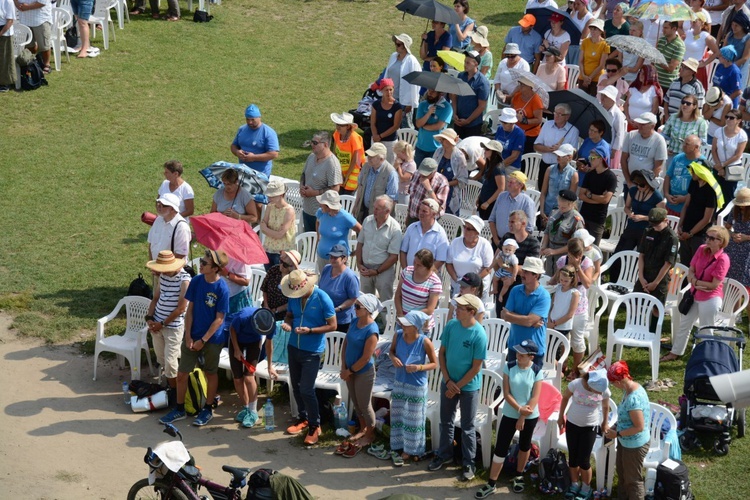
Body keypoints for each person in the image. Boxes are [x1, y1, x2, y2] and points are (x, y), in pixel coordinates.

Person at [159, 250, 231, 427]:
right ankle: (180, 408)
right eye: (202, 261)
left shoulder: (222, 289)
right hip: (192, 336)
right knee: (182, 373)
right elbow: (189, 309)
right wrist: (189, 335)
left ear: (215, 268)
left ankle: (207, 409)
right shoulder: (197, 281)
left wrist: (203, 340)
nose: (201, 264)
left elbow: (219, 319)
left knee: (210, 373)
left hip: (212, 339)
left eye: (205, 263)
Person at [473, 339, 543, 498]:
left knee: (525, 446)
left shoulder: (537, 371)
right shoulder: (509, 366)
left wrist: (523, 417)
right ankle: (491, 483)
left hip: (530, 415)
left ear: (531, 357)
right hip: (511, 413)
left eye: (523, 354)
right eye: (518, 352)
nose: (518, 356)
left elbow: (535, 398)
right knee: (500, 447)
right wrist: (519, 411)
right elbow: (506, 393)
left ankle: (518, 476)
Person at [428, 294, 487, 482]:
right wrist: (447, 380)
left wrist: (456, 386)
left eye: (460, 308)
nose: (456, 310)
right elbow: (442, 353)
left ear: (471, 312)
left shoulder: (479, 334)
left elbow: (477, 367)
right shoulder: (451, 326)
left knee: (468, 427)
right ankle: (445, 455)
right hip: (448, 382)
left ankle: (469, 463)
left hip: (468, 388)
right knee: (445, 421)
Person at [281, 269, 337, 446]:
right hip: (293, 347)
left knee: (306, 389)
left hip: (312, 351)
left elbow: (333, 325)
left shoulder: (322, 298)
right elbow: (290, 315)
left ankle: (315, 425)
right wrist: (287, 324)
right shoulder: (294, 297)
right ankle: (303, 418)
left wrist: (311, 331)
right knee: (296, 387)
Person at [664, 225, 730, 361]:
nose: (707, 240)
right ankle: (674, 353)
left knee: (706, 329)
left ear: (721, 241)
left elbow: (714, 285)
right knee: (685, 325)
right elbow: (691, 270)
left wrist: (694, 281)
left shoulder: (723, 259)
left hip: (710, 299)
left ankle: (705, 357)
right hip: (695, 294)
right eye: (707, 236)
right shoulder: (701, 249)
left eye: (712, 238)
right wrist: (695, 282)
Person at [387, 310, 438, 463]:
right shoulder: (398, 335)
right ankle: (399, 445)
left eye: (407, 324)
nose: (403, 325)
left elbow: (434, 364)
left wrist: (418, 368)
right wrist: (393, 358)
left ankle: (413, 450)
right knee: (398, 414)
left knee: (414, 419)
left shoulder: (424, 341)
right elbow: (391, 351)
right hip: (400, 381)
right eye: (403, 323)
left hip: (416, 385)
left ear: (416, 327)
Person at [558, 370, 612, 500]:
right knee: (573, 457)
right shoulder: (576, 384)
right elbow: (565, 398)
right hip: (572, 424)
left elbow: (605, 407)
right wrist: (561, 417)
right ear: (589, 384)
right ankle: (575, 484)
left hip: (589, 427)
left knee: (584, 460)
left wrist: (605, 422)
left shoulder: (604, 391)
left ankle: (586, 487)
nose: (597, 393)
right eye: (595, 391)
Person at [338, 294, 381, 451]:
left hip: (363, 372)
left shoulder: (372, 330)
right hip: (349, 370)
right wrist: (343, 366)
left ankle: (370, 435)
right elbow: (346, 343)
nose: (354, 309)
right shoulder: (355, 321)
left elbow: (365, 358)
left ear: (367, 310)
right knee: (356, 403)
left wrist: (349, 371)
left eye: (357, 307)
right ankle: (363, 429)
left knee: (365, 405)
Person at [145, 251, 191, 399]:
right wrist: (150, 318)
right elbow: (155, 299)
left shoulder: (184, 280)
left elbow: (181, 308)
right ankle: (172, 388)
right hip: (157, 325)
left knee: (171, 363)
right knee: (162, 359)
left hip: (172, 327)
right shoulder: (163, 277)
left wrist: (162, 323)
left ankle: (176, 393)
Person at [603, 361, 652, 500]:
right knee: (622, 473)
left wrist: (616, 434)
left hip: (635, 445)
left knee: (633, 480)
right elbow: (627, 418)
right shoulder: (628, 388)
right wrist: (616, 427)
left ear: (618, 381)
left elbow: (639, 427)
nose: (612, 386)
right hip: (625, 441)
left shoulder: (634, 399)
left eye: (612, 383)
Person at [228, 307, 276, 428]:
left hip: (254, 343)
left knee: (249, 377)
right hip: (237, 339)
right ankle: (246, 408)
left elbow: (269, 345)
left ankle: (253, 411)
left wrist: (270, 366)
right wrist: (237, 350)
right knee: (238, 378)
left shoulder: (271, 324)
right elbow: (232, 329)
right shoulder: (243, 317)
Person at [501, 257, 551, 367]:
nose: (522, 274)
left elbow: (526, 320)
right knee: (512, 382)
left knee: (532, 383)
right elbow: (504, 315)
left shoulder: (544, 296)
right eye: (523, 270)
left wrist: (515, 317)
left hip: (534, 350)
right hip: (514, 346)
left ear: (536, 275)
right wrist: (529, 320)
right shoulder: (515, 290)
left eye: (527, 272)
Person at [634, 208, 679, 329]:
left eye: (657, 224)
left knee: (657, 307)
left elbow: (668, 263)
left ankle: (653, 331)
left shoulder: (672, 238)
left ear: (666, 221)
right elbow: (641, 255)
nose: (655, 227)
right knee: (635, 302)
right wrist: (641, 277)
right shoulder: (648, 231)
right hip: (645, 273)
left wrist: (655, 283)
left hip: (660, 277)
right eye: (653, 224)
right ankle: (635, 326)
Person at [356, 195, 402, 301]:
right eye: (374, 207)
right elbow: (360, 244)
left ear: (387, 211)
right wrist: (359, 264)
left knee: (385, 303)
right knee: (364, 303)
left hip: (384, 271)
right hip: (365, 268)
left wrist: (377, 271)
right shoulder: (367, 220)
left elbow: (393, 257)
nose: (374, 210)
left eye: (377, 209)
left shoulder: (395, 229)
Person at [613, 170, 666, 257]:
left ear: (649, 184)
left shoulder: (656, 196)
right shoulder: (633, 191)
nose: (638, 187)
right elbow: (626, 207)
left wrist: (643, 218)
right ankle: (616, 270)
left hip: (647, 230)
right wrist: (630, 214)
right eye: (636, 184)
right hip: (631, 226)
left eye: (641, 185)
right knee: (621, 251)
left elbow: (661, 217)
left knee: (642, 256)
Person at [678, 161, 722, 264]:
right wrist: (680, 226)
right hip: (685, 231)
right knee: (684, 265)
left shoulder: (711, 191)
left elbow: (707, 219)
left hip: (699, 236)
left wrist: (690, 233)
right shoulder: (693, 182)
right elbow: (686, 205)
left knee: (696, 265)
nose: (692, 172)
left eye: (695, 170)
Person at [300, 131, 343, 232]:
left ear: (326, 144)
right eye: (312, 142)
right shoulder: (311, 157)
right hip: (307, 209)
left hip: (322, 213)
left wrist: (315, 193)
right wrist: (301, 187)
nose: (312, 145)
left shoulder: (332, 164)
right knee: (309, 242)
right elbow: (303, 175)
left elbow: (335, 189)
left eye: (315, 143)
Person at [578, 144, 618, 245]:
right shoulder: (590, 174)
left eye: (592, 158)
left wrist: (590, 195)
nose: (590, 160)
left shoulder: (611, 177)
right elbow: (581, 195)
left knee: (593, 249)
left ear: (600, 159)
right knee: (579, 246)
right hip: (584, 216)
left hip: (597, 219)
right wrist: (597, 199)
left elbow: (605, 200)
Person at [394, 248, 443, 331]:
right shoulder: (407, 271)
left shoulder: (435, 282)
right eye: (414, 262)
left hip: (420, 326)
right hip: (402, 322)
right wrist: (400, 314)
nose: (415, 267)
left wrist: (409, 318)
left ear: (428, 266)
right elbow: (398, 295)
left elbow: (430, 309)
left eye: (419, 265)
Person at [447, 215, 493, 298]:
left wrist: (472, 282)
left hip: (477, 287)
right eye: (464, 227)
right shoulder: (455, 242)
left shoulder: (485, 245)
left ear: (477, 232)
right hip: (458, 285)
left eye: (469, 229)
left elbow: (488, 268)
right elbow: (449, 264)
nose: (465, 230)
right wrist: (457, 280)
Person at [541, 189, 585, 276]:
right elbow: (547, 231)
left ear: (571, 204)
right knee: (549, 279)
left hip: (565, 256)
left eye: (563, 207)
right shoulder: (554, 213)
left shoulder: (576, 220)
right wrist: (544, 246)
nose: (560, 209)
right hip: (550, 255)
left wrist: (555, 251)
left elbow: (576, 244)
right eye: (559, 205)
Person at [534, 103, 580, 185]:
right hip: (545, 165)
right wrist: (548, 149)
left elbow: (574, 155)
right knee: (542, 190)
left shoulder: (573, 131)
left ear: (567, 117)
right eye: (555, 113)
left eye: (560, 114)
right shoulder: (547, 125)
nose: (556, 116)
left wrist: (561, 150)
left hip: (561, 168)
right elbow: (536, 146)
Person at [315, 190, 361, 272]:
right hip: (321, 256)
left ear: (328, 206)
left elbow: (362, 231)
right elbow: (318, 222)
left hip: (338, 260)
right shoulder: (321, 212)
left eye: (322, 203)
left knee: (339, 283)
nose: (320, 204)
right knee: (325, 282)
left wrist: (357, 250)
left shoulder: (345, 217)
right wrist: (318, 237)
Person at [318, 244, 360, 333]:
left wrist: (338, 308)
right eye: (331, 257)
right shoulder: (326, 269)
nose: (332, 259)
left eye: (335, 257)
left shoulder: (350, 277)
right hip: (325, 316)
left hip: (342, 320)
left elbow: (353, 298)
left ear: (344, 259)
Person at [230, 104, 280, 178]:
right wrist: (237, 152)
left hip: (260, 176)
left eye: (252, 119)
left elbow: (274, 154)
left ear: (259, 117)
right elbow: (233, 146)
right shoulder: (242, 129)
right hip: (243, 173)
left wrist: (253, 157)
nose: (250, 122)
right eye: (247, 119)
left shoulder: (268, 132)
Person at [489, 171, 536, 247]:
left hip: (515, 245)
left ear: (520, 185)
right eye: (508, 181)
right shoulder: (501, 196)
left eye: (511, 182)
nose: (508, 184)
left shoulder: (528, 203)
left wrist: (514, 243)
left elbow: (529, 228)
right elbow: (492, 219)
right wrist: (496, 240)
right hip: (497, 241)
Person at [352, 142, 399, 220]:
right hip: (363, 212)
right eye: (369, 155)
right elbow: (360, 187)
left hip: (378, 216)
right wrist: (356, 206)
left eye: (372, 156)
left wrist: (382, 218)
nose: (369, 158)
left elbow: (392, 200)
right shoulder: (366, 167)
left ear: (381, 159)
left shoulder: (391, 173)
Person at [622, 112, 668, 190]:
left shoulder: (659, 140)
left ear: (652, 126)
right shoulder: (630, 135)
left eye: (643, 124)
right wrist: (629, 181)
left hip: (647, 186)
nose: (639, 126)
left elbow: (658, 167)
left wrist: (644, 184)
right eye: (639, 123)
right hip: (630, 183)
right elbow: (623, 159)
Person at [400, 198, 450, 269]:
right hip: (408, 274)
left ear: (433, 214)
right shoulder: (412, 227)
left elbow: (440, 260)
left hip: (428, 277)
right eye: (420, 210)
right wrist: (405, 271)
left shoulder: (440, 234)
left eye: (424, 211)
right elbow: (403, 251)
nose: (420, 213)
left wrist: (425, 274)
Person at [384, 34, 421, 129]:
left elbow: (416, 83)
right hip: (391, 97)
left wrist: (411, 103)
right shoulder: (393, 56)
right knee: (390, 124)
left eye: (399, 44)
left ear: (405, 46)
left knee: (405, 126)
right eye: (396, 44)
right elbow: (387, 74)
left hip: (405, 101)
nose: (396, 46)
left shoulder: (412, 61)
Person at [712, 108, 748, 202]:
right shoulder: (719, 131)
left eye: (731, 118)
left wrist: (723, 165)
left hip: (733, 168)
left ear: (739, 121)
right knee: (713, 193)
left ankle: (726, 216)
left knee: (728, 195)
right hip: (717, 166)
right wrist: (719, 167)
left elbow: (737, 155)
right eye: (726, 117)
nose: (728, 119)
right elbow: (714, 150)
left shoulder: (742, 135)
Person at [662, 93, 709, 165]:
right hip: (672, 154)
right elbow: (663, 135)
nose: (684, 105)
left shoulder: (701, 122)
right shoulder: (673, 117)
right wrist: (664, 149)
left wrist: (690, 142)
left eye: (688, 103)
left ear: (694, 106)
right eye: (683, 102)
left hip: (690, 157)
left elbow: (703, 141)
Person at [539, 145, 579, 228]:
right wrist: (542, 211)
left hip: (561, 214)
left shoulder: (573, 174)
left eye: (561, 155)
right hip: (547, 210)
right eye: (558, 155)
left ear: (569, 157)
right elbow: (543, 192)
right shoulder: (549, 169)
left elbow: (570, 199)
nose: (558, 157)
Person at [452, 51, 490, 138]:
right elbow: (454, 95)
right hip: (458, 121)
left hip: (473, 125)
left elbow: (481, 106)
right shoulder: (461, 76)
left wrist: (468, 121)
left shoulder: (482, 82)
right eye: (465, 62)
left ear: (476, 64)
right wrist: (454, 113)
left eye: (468, 63)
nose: (465, 65)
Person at [260, 179, 296, 269]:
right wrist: (271, 231)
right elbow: (262, 225)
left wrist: (266, 229)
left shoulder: (289, 210)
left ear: (281, 195)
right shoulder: (270, 206)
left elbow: (280, 235)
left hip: (282, 252)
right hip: (268, 248)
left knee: (280, 278)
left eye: (272, 196)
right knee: (269, 277)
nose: (269, 198)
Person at [665, 134, 704, 216]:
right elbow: (668, 176)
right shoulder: (677, 158)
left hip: (688, 208)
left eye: (687, 144)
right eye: (683, 143)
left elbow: (702, 188)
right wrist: (666, 194)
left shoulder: (702, 163)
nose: (683, 145)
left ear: (696, 147)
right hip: (670, 204)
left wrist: (684, 198)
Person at [433, 128, 469, 215]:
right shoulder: (438, 151)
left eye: (444, 139)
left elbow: (463, 179)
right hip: (436, 190)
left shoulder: (460, 157)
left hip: (451, 194)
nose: (441, 141)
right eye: (441, 139)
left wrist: (446, 184)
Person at [724, 188, 750, 307]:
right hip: (735, 245)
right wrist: (733, 234)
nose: (741, 207)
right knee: (732, 280)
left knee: (741, 279)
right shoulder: (735, 210)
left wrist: (746, 237)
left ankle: (740, 306)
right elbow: (727, 227)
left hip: (747, 248)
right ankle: (733, 306)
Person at [414, 89, 454, 167]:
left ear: (440, 93)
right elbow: (418, 124)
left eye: (433, 91)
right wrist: (428, 113)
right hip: (420, 147)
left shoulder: (447, 107)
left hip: (436, 149)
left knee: (432, 175)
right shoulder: (422, 105)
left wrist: (424, 126)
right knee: (417, 174)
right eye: (429, 90)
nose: (430, 93)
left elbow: (438, 126)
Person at [369, 79, 404, 165]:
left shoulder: (397, 106)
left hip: (390, 141)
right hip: (376, 139)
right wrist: (375, 136)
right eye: (386, 90)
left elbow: (395, 126)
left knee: (389, 165)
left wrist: (380, 136)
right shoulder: (376, 104)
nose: (389, 92)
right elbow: (372, 122)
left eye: (390, 89)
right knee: (374, 164)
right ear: (381, 91)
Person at [406, 158, 450, 225]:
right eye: (421, 172)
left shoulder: (442, 183)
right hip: (412, 219)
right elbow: (411, 197)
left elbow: (439, 208)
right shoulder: (416, 174)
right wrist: (408, 216)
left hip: (428, 222)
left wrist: (429, 188)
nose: (422, 175)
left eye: (426, 174)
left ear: (434, 172)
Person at [148, 193, 190, 260]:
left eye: (163, 205)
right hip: (156, 268)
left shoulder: (182, 227)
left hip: (173, 269)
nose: (159, 206)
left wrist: (163, 268)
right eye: (158, 203)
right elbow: (151, 244)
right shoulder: (158, 220)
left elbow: (180, 254)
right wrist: (152, 265)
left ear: (172, 209)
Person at [331, 112, 365, 194]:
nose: (338, 127)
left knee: (347, 194)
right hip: (341, 168)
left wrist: (346, 177)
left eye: (341, 125)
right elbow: (334, 152)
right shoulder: (336, 133)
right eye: (337, 124)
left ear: (348, 126)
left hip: (354, 170)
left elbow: (355, 159)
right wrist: (338, 171)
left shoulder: (354, 138)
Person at [261, 249, 300, 321]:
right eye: (281, 261)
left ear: (292, 267)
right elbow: (264, 289)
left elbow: (292, 302)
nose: (281, 265)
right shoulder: (273, 270)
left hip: (284, 315)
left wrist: (275, 310)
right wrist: (266, 306)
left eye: (285, 265)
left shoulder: (295, 279)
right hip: (267, 309)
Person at [663, 58, 706, 123]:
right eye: (682, 66)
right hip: (669, 120)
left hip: (684, 123)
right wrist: (667, 116)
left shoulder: (697, 86)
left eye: (685, 68)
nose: (681, 69)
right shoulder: (674, 82)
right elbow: (666, 101)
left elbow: (698, 109)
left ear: (692, 72)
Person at [15, 0, 52, 73]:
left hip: (41, 18)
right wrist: (17, 4)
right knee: (29, 45)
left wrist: (27, 7)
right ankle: (33, 61)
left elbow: (43, 2)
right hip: (24, 19)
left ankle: (46, 64)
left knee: (44, 45)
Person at [512, 76, 546, 153]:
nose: (520, 86)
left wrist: (524, 120)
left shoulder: (536, 100)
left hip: (530, 134)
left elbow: (538, 120)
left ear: (529, 87)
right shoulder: (517, 96)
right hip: (516, 131)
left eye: (523, 85)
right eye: (520, 84)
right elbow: (512, 109)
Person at [623, 66, 663, 130]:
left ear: (650, 75)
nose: (641, 75)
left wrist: (641, 123)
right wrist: (628, 119)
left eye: (644, 73)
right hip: (630, 123)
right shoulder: (634, 87)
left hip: (644, 126)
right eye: (640, 72)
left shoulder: (654, 90)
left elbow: (654, 111)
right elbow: (626, 105)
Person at [476, 140, 507, 220]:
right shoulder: (489, 164)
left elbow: (501, 189)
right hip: (484, 201)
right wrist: (480, 197)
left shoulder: (498, 168)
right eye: (485, 149)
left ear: (494, 152)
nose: (484, 151)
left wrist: (487, 203)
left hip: (491, 204)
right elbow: (487, 183)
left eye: (487, 149)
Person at [578, 19, 609, 96]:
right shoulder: (585, 42)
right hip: (583, 76)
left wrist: (589, 78)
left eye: (595, 29)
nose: (592, 31)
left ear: (601, 31)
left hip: (596, 78)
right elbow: (580, 61)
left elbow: (601, 65)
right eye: (591, 29)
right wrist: (584, 76)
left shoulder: (605, 44)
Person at [493, 108, 525, 174]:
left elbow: (514, 156)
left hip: (512, 166)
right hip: (498, 162)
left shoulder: (519, 134)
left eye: (505, 123)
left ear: (512, 123)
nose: (503, 124)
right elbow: (494, 147)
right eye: (502, 122)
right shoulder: (500, 129)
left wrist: (500, 166)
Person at [656, 22, 687, 90]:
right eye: (663, 27)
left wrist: (656, 60)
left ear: (674, 29)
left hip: (667, 85)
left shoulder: (680, 45)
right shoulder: (661, 40)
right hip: (655, 82)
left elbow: (671, 68)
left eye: (666, 28)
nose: (663, 30)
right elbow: (653, 62)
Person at [492, 239, 520, 305]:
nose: (507, 251)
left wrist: (514, 276)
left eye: (510, 250)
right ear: (502, 248)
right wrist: (490, 267)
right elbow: (495, 261)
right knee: (494, 278)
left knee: (506, 284)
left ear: (514, 251)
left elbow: (516, 267)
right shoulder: (501, 253)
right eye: (506, 249)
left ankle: (501, 295)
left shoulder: (513, 257)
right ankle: (495, 289)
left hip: (509, 273)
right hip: (501, 270)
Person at [568, 0, 594, 65]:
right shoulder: (573, 13)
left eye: (578, 4)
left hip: (580, 46)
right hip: (570, 43)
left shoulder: (590, 18)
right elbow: (567, 27)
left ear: (584, 4)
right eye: (575, 4)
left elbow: (584, 36)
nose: (576, 6)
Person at [393, 140, 417, 205]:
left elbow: (403, 178)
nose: (397, 156)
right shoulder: (401, 161)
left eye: (398, 154)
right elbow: (392, 171)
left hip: (404, 193)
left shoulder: (411, 165)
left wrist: (399, 167)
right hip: (396, 190)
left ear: (403, 152)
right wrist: (395, 165)